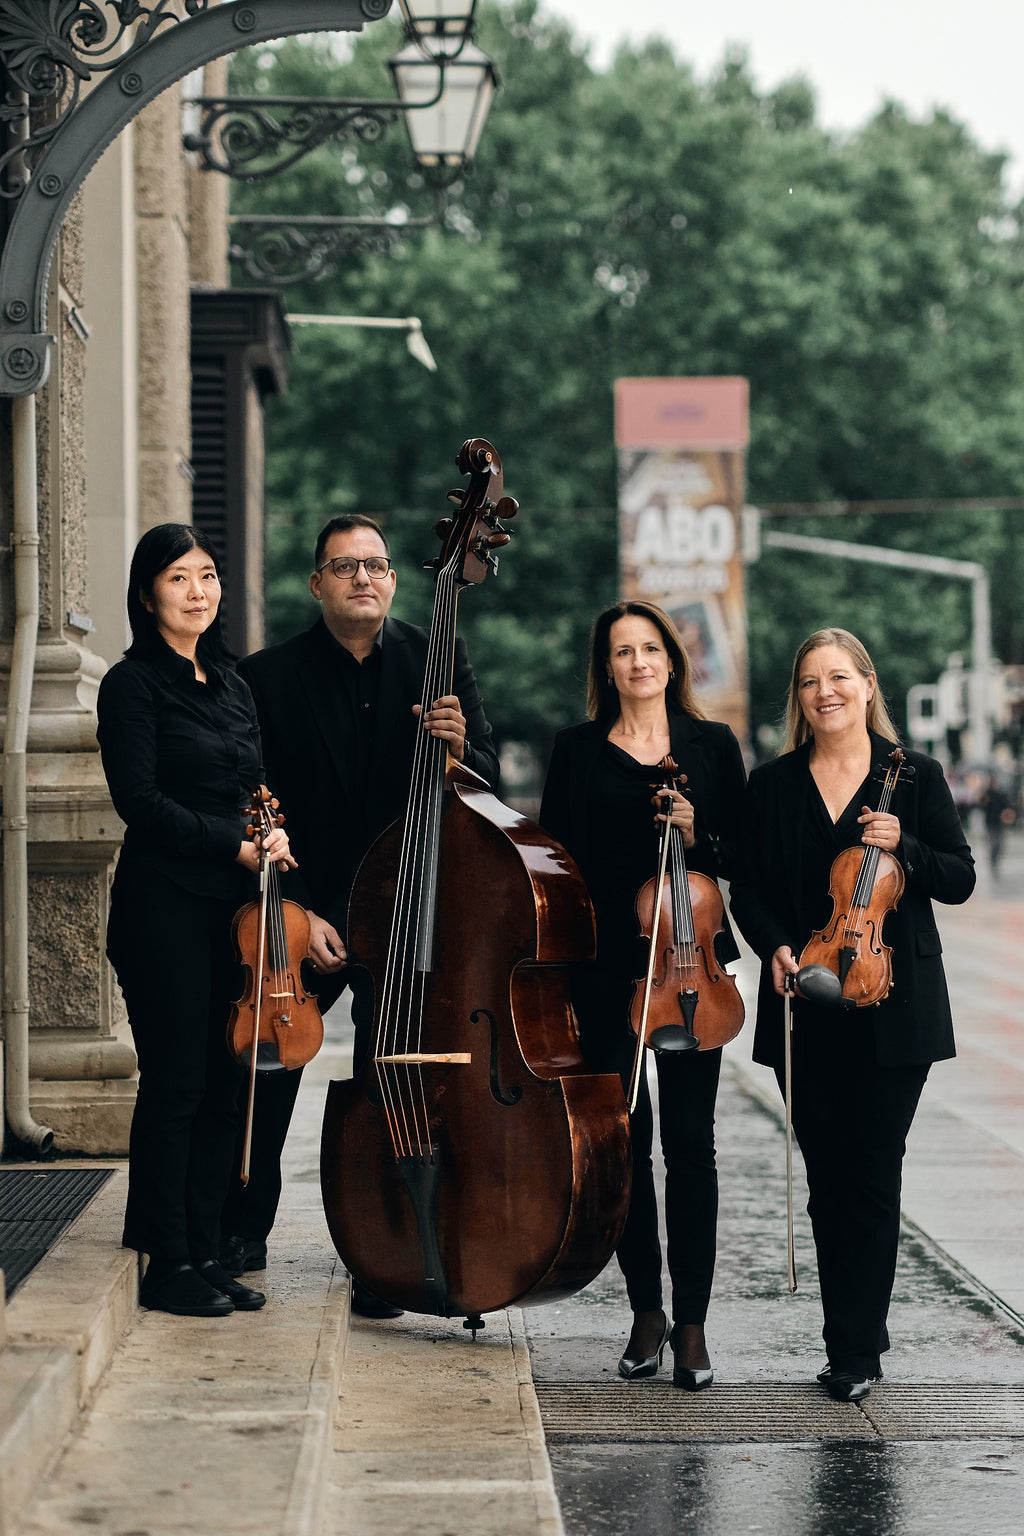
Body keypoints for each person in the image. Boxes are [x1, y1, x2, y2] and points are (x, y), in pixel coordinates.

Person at [219, 513, 499, 1312]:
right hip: (307, 909)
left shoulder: (436, 656)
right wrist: (301, 914)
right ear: (317, 584)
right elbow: (251, 799)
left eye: (375, 565)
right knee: (270, 1073)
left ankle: (386, 1254)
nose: (363, 578)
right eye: (344, 567)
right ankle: (243, 1230)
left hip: (405, 907)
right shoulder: (267, 677)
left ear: (396, 579)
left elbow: (487, 770)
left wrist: (460, 752)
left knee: (393, 1081)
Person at [730, 628, 975, 1403]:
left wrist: (908, 849)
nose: (825, 692)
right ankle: (859, 1322)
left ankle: (854, 1347)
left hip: (894, 1001)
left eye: (840, 677)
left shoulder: (915, 777)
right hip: (805, 1002)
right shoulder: (771, 785)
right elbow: (750, 889)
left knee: (871, 1170)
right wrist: (772, 946)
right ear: (798, 699)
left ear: (869, 687)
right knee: (828, 1174)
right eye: (810, 681)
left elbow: (960, 877)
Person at [539, 600, 747, 1389]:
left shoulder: (711, 746)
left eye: (649, 648)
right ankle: (646, 1311)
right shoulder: (577, 751)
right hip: (606, 974)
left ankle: (691, 1321)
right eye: (622, 651)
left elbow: (741, 854)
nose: (638, 662)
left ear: (672, 659)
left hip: (690, 971)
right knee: (627, 1143)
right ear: (607, 667)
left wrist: (699, 834)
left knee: (693, 1146)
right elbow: (556, 866)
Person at [97, 524, 295, 1318]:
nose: (199, 591)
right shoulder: (131, 685)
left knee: (225, 1085)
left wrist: (273, 833)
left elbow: (253, 786)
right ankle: (164, 1258)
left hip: (235, 912)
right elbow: (139, 803)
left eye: (208, 575)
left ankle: (206, 1250)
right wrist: (234, 845)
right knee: (176, 1083)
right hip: (164, 907)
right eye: (180, 578)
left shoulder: (233, 683)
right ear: (150, 594)